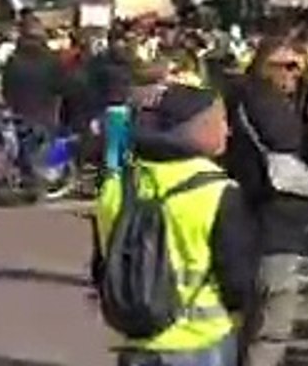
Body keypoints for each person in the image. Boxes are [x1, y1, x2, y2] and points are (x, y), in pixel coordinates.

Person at [95, 84, 255, 366]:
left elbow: (103, 264)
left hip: (138, 339)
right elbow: (237, 281)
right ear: (195, 129)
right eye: (220, 122)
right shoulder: (218, 192)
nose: (227, 131)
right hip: (201, 340)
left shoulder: (116, 186)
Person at [227, 37, 308, 366]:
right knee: (272, 323)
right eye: (290, 67)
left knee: (250, 319)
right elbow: (289, 144)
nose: (297, 76)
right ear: (268, 66)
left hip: (248, 218)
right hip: (274, 219)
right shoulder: (267, 105)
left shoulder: (237, 97)